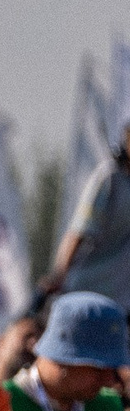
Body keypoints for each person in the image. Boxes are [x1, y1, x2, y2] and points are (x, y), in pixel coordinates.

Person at [42, 121, 130, 314]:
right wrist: (58, 276)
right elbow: (78, 231)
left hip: (120, 300)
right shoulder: (109, 177)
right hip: (85, 291)